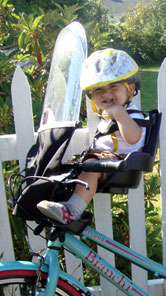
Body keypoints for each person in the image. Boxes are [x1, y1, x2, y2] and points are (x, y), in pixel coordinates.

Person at [37, 48, 145, 224]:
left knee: (90, 166)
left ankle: (72, 211)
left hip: (123, 162)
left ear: (130, 89)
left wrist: (120, 114)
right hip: (107, 160)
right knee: (70, 168)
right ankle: (52, 202)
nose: (106, 93)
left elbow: (134, 137)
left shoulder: (131, 114)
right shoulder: (107, 116)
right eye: (98, 89)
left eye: (113, 86)